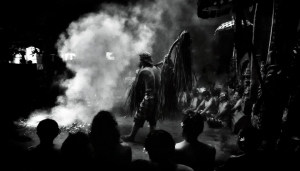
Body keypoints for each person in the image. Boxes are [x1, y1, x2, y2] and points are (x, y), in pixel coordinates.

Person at [122, 52, 161, 142]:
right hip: (157, 98)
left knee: (138, 117)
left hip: (149, 97)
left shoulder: (143, 71)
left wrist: (137, 73)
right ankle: (153, 138)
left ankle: (131, 136)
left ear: (142, 61)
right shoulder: (156, 68)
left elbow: (137, 86)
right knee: (152, 119)